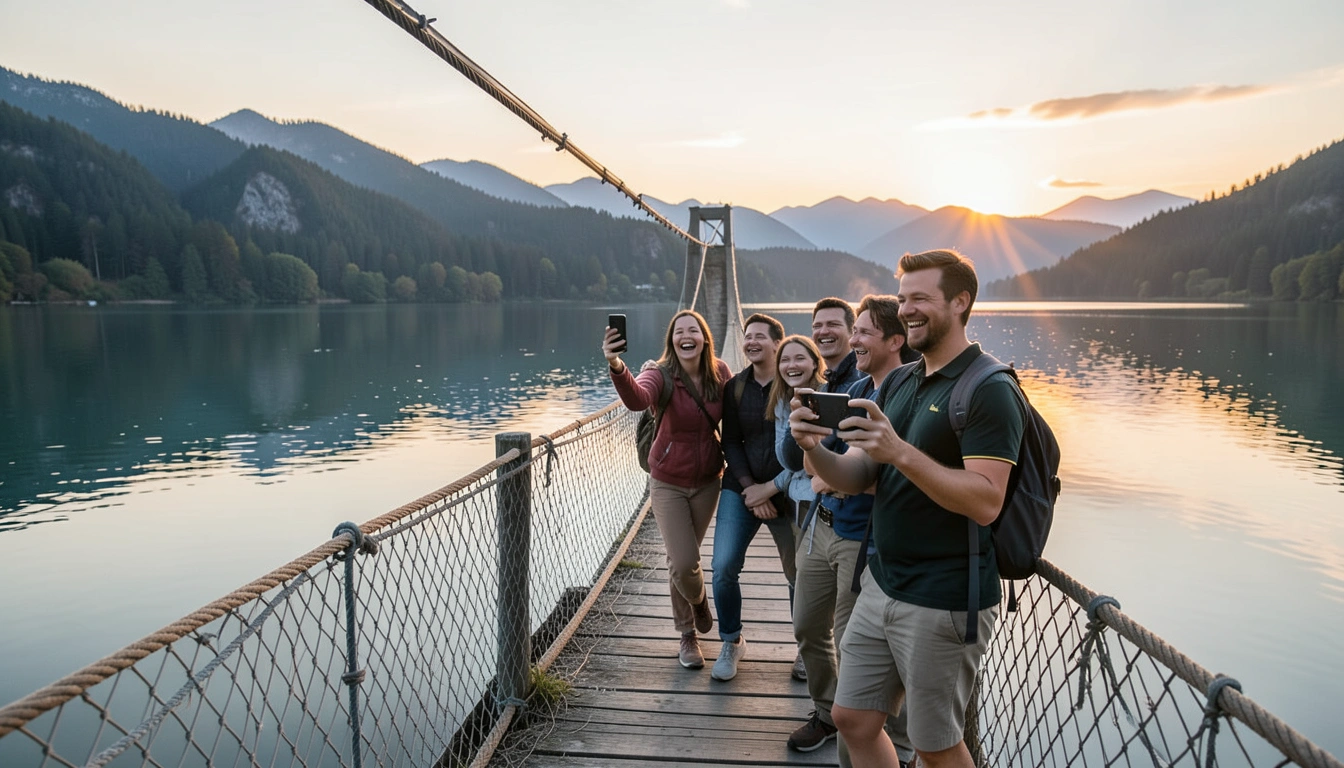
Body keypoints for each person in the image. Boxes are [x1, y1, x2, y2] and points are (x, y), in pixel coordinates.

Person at [790, 250, 1026, 768]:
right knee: (852, 718)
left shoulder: (989, 388)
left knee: (934, 746)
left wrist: (898, 451)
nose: (907, 310)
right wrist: (813, 448)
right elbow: (858, 476)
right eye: (902, 299)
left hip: (944, 597)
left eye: (920, 298)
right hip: (882, 580)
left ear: (960, 302)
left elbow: (986, 501)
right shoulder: (899, 381)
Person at [783, 296, 919, 761]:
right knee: (806, 626)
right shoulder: (856, 390)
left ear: (895, 340)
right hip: (823, 524)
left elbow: (888, 478)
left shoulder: (909, 395)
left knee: (855, 645)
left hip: (866, 541)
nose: (852, 339)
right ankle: (828, 713)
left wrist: (840, 476)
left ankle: (890, 745)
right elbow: (818, 467)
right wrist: (818, 456)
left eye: (862, 331)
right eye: (854, 329)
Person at [604, 309, 733, 669]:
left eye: (693, 330)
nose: (686, 336)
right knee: (683, 561)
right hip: (668, 482)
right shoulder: (658, 373)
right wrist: (616, 365)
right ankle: (690, 627)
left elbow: (740, 409)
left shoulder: (721, 372)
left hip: (709, 480)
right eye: (679, 332)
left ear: (704, 338)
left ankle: (691, 611)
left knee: (685, 561)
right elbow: (637, 398)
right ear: (672, 340)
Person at [710, 313, 797, 681]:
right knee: (722, 566)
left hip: (788, 491)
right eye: (748, 336)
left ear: (778, 343)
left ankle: (808, 648)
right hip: (741, 489)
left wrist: (772, 487)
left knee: (800, 574)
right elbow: (730, 441)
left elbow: (804, 447)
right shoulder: (735, 387)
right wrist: (751, 489)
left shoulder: (794, 384)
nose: (751, 342)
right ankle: (731, 641)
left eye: (760, 336)